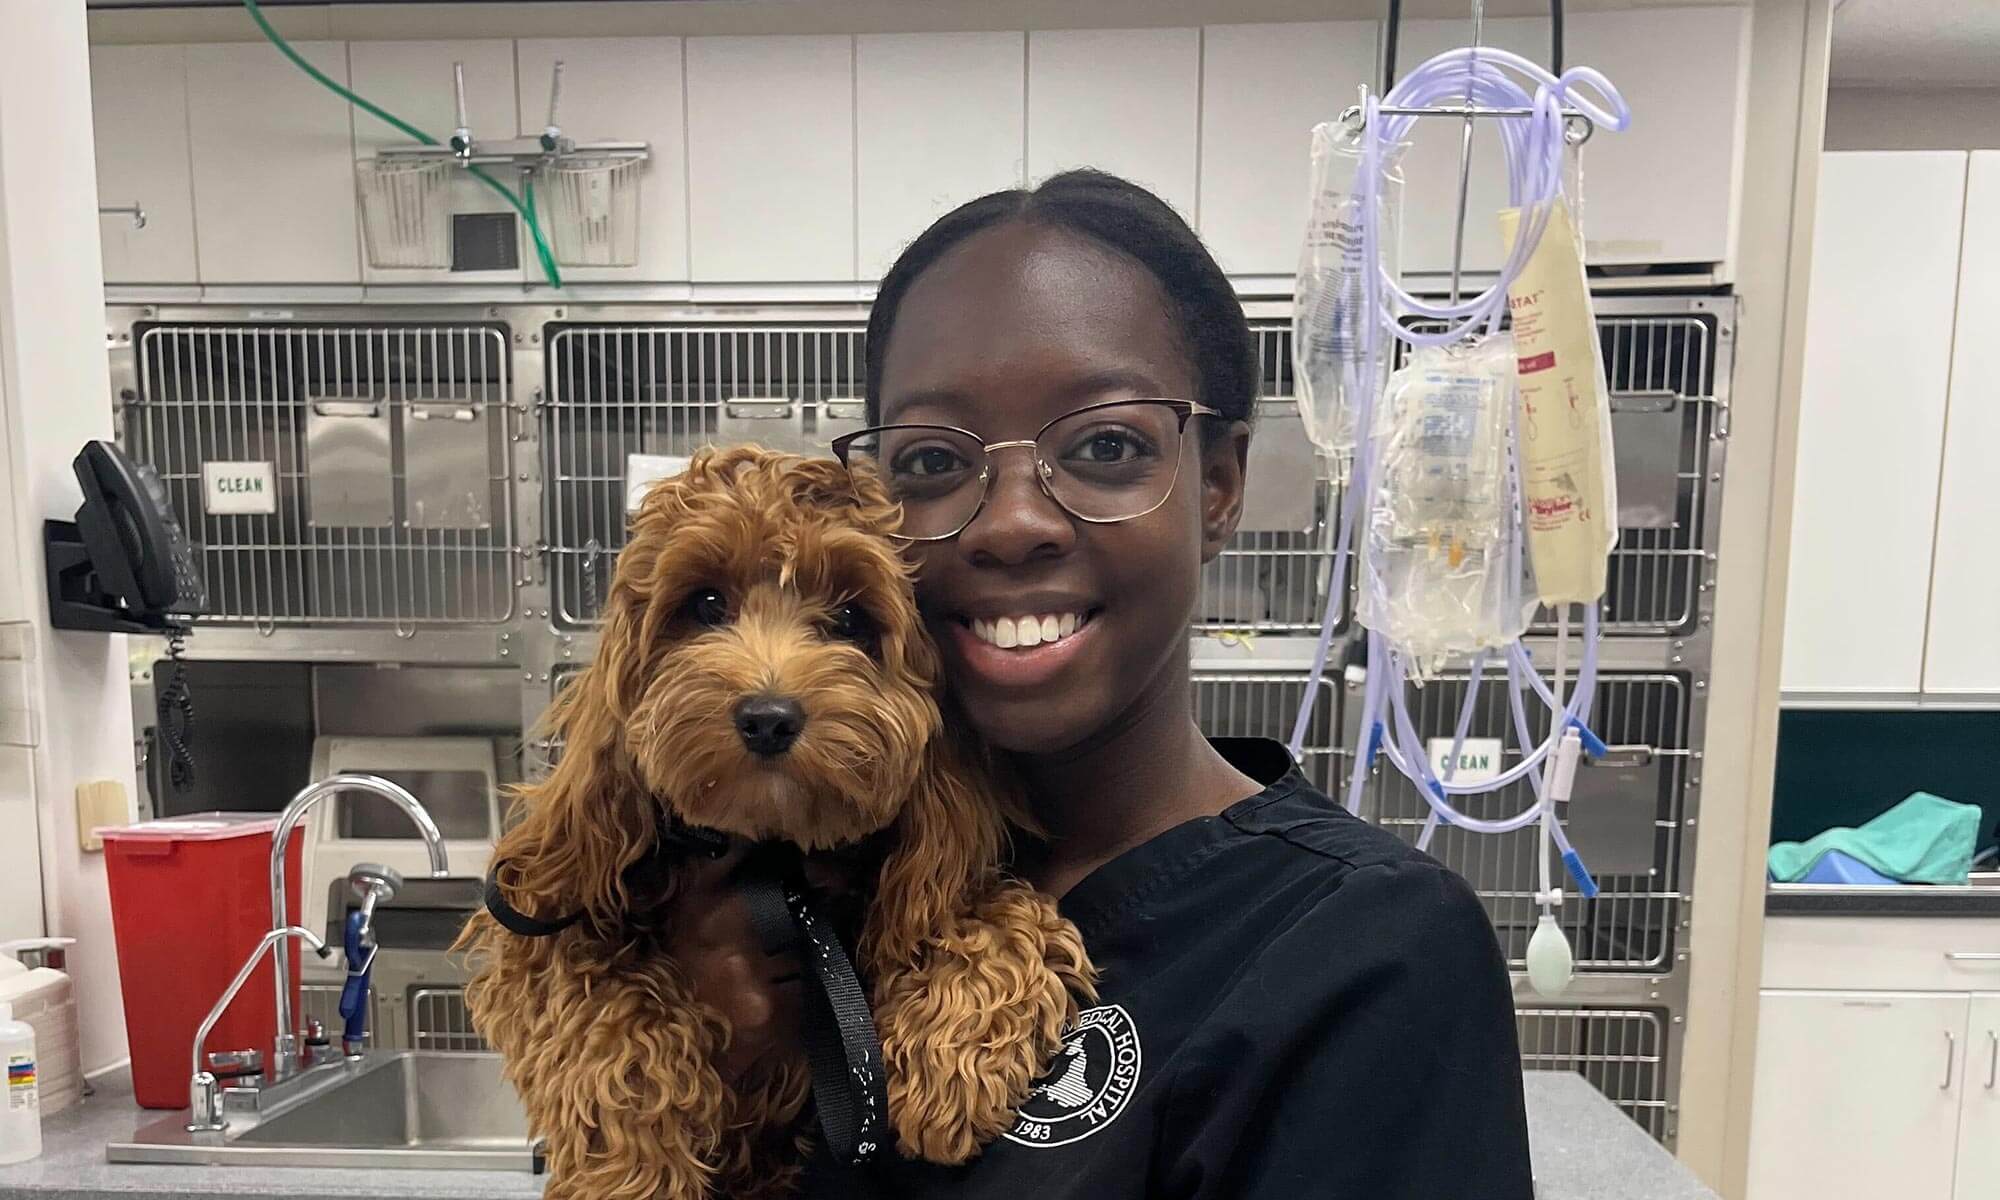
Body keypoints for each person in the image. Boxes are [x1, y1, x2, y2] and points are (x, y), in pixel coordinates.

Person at [669, 169, 1533, 1199]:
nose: (1008, 521)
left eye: (1105, 445)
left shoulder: (1362, 951)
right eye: (933, 462)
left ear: (1216, 486)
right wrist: (707, 1069)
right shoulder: (795, 877)